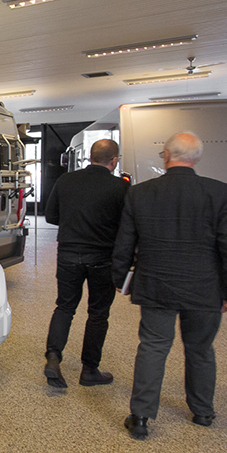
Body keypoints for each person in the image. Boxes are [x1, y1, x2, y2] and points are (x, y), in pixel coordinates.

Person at [112, 132, 227, 439]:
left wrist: (121, 279)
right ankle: (202, 412)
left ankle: (141, 417)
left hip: (156, 284)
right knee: (200, 349)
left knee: (153, 347)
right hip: (205, 287)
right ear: (196, 158)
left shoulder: (140, 193)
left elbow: (125, 242)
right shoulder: (220, 192)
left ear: (166, 156)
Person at [42, 138, 129, 388]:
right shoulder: (120, 187)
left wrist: (73, 222)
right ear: (114, 160)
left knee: (64, 307)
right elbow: (126, 225)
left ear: (90, 156)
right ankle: (90, 370)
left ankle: (53, 357)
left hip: (68, 254)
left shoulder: (66, 180)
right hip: (103, 258)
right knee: (98, 314)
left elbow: (51, 216)